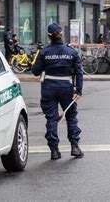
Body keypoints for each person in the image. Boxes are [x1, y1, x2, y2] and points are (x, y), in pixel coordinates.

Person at [31, 22, 84, 160]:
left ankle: (54, 150)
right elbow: (79, 73)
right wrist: (78, 91)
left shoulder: (44, 52)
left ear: (49, 37)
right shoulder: (72, 52)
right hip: (67, 87)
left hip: (49, 88)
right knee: (71, 116)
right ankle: (75, 147)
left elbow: (35, 72)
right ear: (61, 34)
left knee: (51, 118)